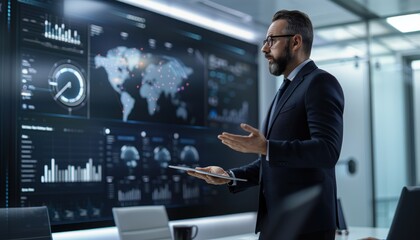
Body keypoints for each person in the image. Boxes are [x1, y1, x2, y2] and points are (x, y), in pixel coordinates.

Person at [188, 9, 344, 240]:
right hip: (277, 223)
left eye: (271, 40)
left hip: (307, 226)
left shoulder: (320, 82)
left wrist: (267, 147)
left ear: (296, 42)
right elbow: (274, 162)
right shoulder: (285, 89)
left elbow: (327, 151)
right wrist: (229, 176)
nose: (264, 49)